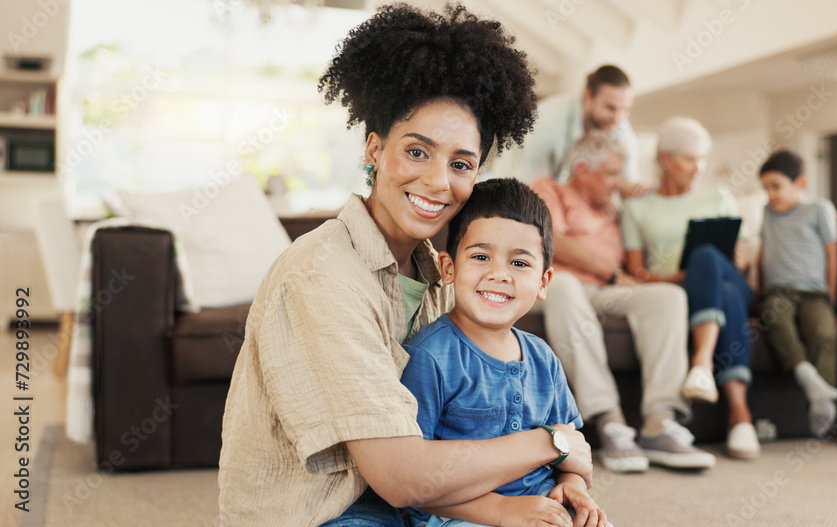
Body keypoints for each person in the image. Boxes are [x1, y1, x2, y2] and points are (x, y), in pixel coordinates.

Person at [218, 5, 595, 527]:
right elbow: (402, 478)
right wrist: (553, 442)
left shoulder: (440, 272)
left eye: (461, 164)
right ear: (375, 149)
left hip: (422, 507)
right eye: (418, 152)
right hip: (327, 513)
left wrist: (559, 485)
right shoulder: (321, 276)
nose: (440, 182)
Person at [399, 178, 609, 527]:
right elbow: (417, 482)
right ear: (448, 268)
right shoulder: (430, 356)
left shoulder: (543, 358)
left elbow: (571, 451)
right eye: (481, 257)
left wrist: (572, 487)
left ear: (543, 282)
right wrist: (502, 511)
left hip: (544, 505)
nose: (499, 274)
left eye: (520, 263)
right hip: (460, 516)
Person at [529, 132, 717, 473]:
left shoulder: (616, 207)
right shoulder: (550, 189)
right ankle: (610, 421)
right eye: (612, 174)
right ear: (583, 169)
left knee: (668, 298)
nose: (620, 182)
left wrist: (640, 200)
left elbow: (638, 251)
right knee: (565, 284)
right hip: (560, 286)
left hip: (606, 292)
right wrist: (611, 272)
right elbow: (548, 237)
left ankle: (659, 422)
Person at [621, 116, 760, 460]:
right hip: (682, 293)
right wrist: (678, 279)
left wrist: (735, 258)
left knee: (708, 258)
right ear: (666, 160)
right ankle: (740, 416)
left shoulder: (719, 198)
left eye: (701, 159)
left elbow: (738, 263)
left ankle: (701, 363)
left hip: (731, 281)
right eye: (689, 159)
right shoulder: (637, 208)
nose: (698, 168)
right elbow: (635, 269)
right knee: (718, 287)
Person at [757, 150, 837, 437]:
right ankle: (806, 374)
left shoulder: (820, 209)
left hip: (814, 293)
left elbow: (832, 254)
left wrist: (832, 295)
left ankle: (822, 402)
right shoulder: (767, 213)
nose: (770, 195)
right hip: (778, 291)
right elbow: (762, 253)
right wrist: (759, 290)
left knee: (823, 332)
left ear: (800, 183)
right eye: (766, 188)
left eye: (776, 186)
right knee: (775, 318)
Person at [490, 65, 644, 195]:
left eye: (625, 110)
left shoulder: (621, 129)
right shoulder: (546, 122)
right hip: (506, 186)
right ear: (588, 96)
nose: (618, 118)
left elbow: (629, 182)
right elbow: (526, 188)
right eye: (610, 108)